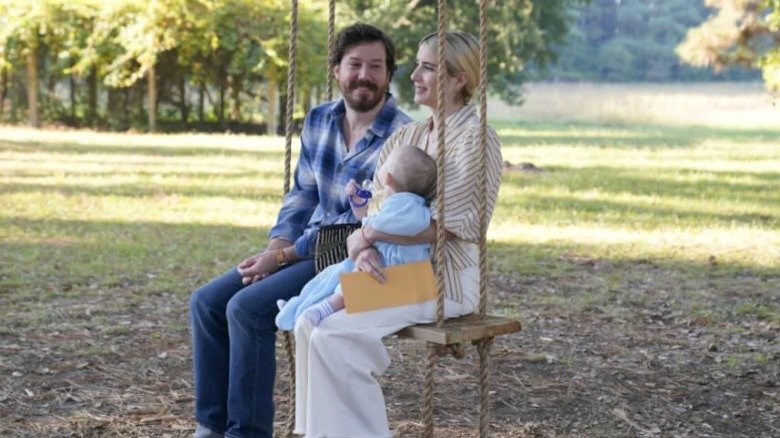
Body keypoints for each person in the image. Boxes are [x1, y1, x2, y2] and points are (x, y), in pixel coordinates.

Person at [188, 23, 412, 438]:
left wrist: (283, 257)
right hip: (302, 248)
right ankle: (210, 426)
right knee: (206, 302)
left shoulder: (403, 136)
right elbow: (301, 197)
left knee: (247, 309)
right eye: (355, 64)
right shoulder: (318, 120)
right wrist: (276, 247)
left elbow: (362, 223)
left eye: (375, 66)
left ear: (389, 75)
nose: (364, 75)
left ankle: (247, 432)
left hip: (352, 258)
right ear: (336, 70)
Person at [293, 30, 503, 437]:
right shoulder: (406, 137)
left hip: (442, 282)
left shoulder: (477, 139)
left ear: (459, 78)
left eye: (428, 67)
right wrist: (360, 246)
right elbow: (372, 212)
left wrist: (369, 237)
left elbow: (445, 225)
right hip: (391, 271)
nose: (414, 75)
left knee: (334, 335)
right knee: (307, 322)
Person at [275, 145, 437, 330]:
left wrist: (369, 228)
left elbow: (382, 224)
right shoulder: (399, 204)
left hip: (395, 272)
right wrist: (359, 204)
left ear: (387, 177)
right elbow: (369, 220)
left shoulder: (407, 207)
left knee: (341, 278)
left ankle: (320, 309)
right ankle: (297, 307)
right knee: (327, 276)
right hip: (387, 266)